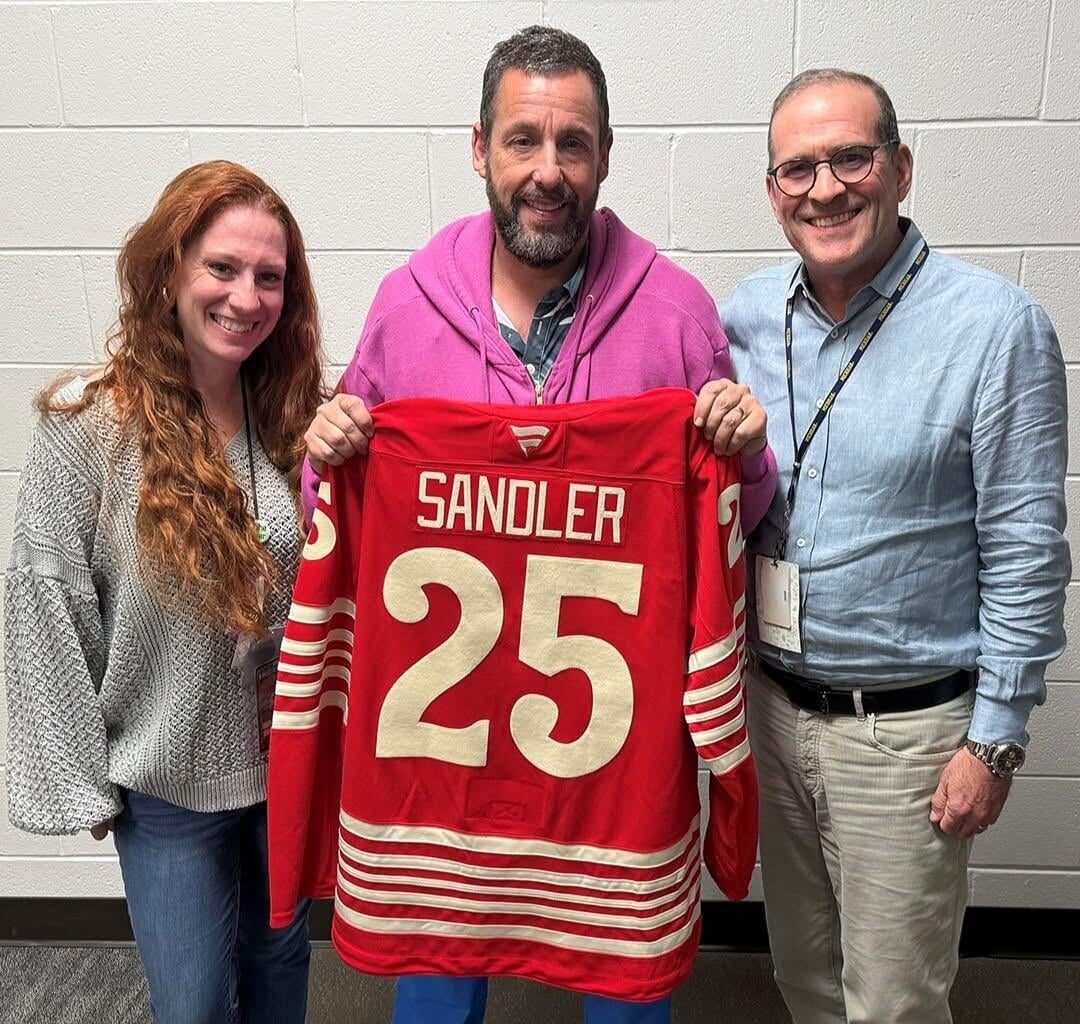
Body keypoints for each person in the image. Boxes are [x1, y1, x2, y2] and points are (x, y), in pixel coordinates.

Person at [298, 24, 777, 1024]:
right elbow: (338, 515)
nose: (547, 170)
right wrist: (329, 454)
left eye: (573, 145)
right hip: (443, 762)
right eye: (523, 140)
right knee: (435, 987)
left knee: (628, 993)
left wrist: (740, 446)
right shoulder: (404, 307)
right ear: (480, 149)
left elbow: (739, 513)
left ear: (606, 156)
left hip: (612, 758)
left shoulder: (679, 312)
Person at [721, 69, 1070, 1023]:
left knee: (895, 1004)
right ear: (771, 191)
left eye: (850, 158)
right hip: (771, 713)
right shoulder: (744, 319)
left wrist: (994, 741)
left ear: (900, 168)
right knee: (801, 976)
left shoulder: (995, 329)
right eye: (797, 168)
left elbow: (1028, 551)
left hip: (907, 738)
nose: (825, 188)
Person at [4, 160, 325, 1024]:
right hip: (165, 784)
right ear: (170, 268)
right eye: (222, 268)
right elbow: (44, 603)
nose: (245, 297)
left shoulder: (295, 418)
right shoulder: (91, 425)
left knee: (281, 966)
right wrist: (82, 785)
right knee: (191, 1004)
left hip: (284, 768)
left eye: (270, 277)